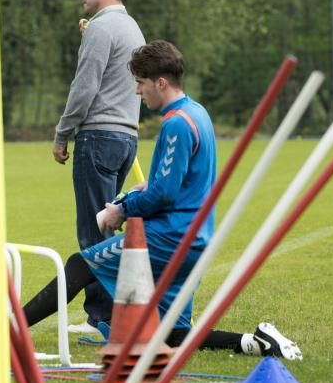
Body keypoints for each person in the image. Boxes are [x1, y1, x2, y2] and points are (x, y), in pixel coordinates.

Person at [17, 41, 302, 358]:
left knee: (80, 264)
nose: (137, 92)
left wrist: (121, 211)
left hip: (168, 237)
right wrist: (146, 186)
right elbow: (182, 179)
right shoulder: (198, 113)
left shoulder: (176, 123)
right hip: (195, 239)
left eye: (140, 83)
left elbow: (164, 194)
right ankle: (256, 342)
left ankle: (8, 332)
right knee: (175, 335)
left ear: (161, 83)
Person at [53, 0, 145, 334]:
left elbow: (86, 86)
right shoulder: (131, 27)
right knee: (108, 227)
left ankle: (104, 319)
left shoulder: (101, 29)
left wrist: (63, 133)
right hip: (126, 138)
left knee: (94, 234)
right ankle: (113, 313)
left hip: (98, 137)